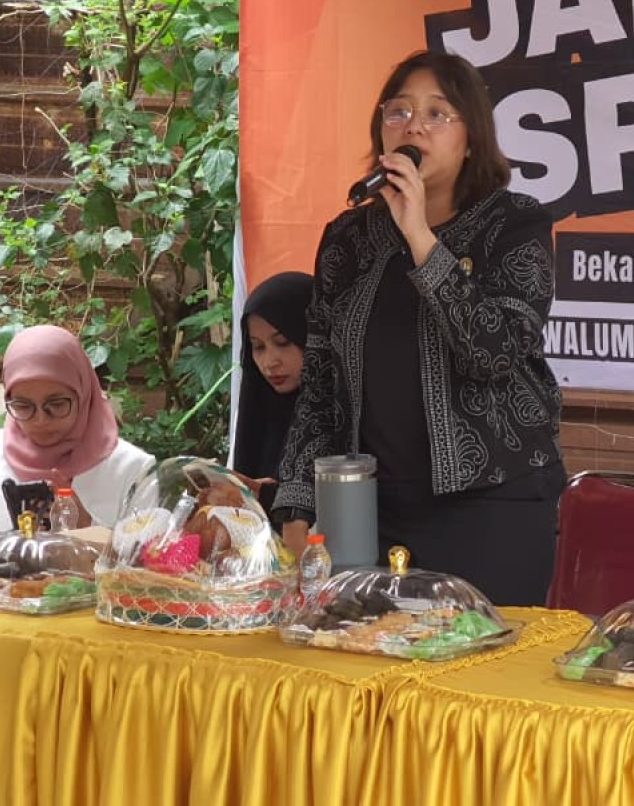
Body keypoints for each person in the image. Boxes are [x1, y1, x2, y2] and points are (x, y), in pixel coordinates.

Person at [272, 50, 564, 606]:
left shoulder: (515, 223)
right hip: (368, 510)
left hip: (490, 508)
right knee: (363, 654)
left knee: (474, 657)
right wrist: (297, 502)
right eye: (399, 112)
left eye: (436, 114)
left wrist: (420, 238)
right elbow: (321, 385)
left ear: (471, 139)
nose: (413, 127)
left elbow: (494, 353)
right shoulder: (348, 239)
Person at [0, 324, 154, 533]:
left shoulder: (133, 470)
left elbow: (148, 550)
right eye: (23, 406)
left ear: (83, 395)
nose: (40, 420)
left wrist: (88, 528)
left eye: (56, 404)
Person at [231, 271, 314, 513]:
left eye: (282, 342)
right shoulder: (260, 407)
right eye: (258, 347)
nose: (269, 363)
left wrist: (271, 497)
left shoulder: (349, 418)